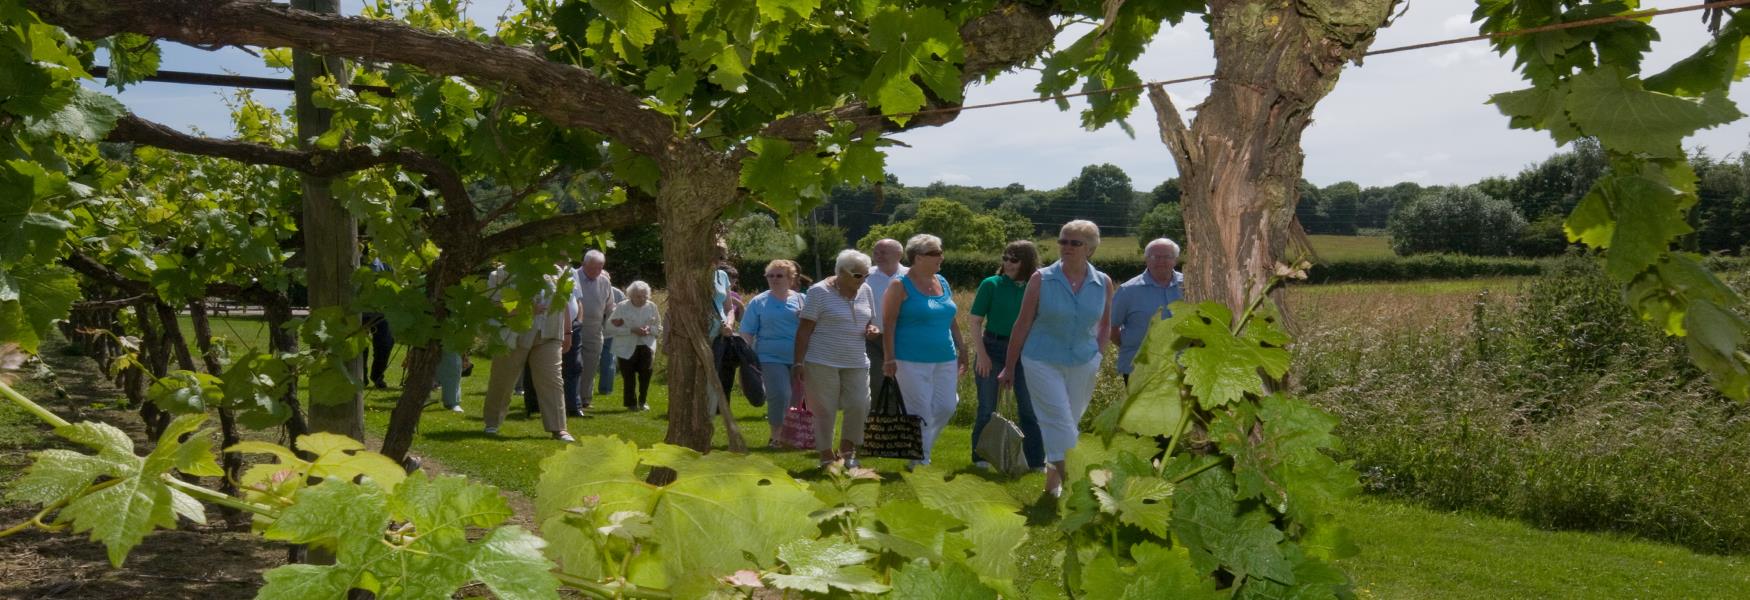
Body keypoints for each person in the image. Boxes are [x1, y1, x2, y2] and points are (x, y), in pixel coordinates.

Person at [999, 220, 1113, 497]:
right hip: (1041, 359)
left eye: (1075, 243)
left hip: (1084, 361)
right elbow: (1022, 323)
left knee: (1068, 422)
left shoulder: (1103, 282)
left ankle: (1052, 485)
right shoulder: (1042, 278)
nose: (1066, 247)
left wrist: (1098, 355)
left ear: (1090, 248)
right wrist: (1009, 366)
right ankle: (1083, 487)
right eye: (1063, 241)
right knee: (1057, 420)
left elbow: (1105, 324)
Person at [880, 234, 965, 469]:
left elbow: (950, 317)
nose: (941, 257)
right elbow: (889, 323)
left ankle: (918, 451)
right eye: (936, 253)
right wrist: (889, 358)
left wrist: (962, 347)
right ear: (918, 258)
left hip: (945, 356)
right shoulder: (899, 284)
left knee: (946, 406)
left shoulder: (943, 281)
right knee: (920, 410)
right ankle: (921, 461)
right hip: (910, 358)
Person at [793, 250, 878, 468]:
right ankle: (826, 456)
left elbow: (869, 321)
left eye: (866, 275)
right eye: (857, 275)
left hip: (857, 360)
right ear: (840, 272)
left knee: (860, 405)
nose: (863, 279)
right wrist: (798, 362)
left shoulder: (866, 290)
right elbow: (804, 329)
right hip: (822, 360)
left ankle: (848, 451)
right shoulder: (818, 292)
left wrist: (872, 329)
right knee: (824, 410)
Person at [970, 240, 1044, 470]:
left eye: (1014, 259)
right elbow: (975, 321)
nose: (1008, 264)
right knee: (986, 408)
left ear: (1027, 262)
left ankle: (1035, 461)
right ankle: (980, 458)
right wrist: (982, 356)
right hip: (992, 348)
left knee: (1029, 410)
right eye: (1005, 258)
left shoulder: (1038, 285)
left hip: (1027, 351)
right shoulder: (991, 284)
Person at [483, 262, 577, 441]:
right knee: (503, 378)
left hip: (549, 332)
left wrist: (567, 331)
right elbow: (493, 305)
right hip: (514, 332)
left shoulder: (556, 271)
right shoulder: (503, 273)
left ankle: (559, 428)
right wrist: (525, 310)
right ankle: (492, 423)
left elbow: (562, 302)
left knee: (552, 379)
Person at [741, 260, 806, 447]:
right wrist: (746, 355)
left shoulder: (803, 300)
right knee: (780, 393)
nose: (774, 279)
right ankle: (776, 435)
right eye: (770, 275)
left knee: (795, 398)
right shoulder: (758, 301)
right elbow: (747, 331)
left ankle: (791, 437)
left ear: (791, 278)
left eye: (779, 275)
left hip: (799, 357)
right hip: (769, 357)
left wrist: (806, 318)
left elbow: (816, 327)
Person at [1111, 238, 1185, 384]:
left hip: (1183, 368)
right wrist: (1135, 346)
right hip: (1139, 370)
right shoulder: (1128, 290)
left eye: (1167, 256)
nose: (1161, 261)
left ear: (1175, 260)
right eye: (1155, 257)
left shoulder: (1190, 285)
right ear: (1146, 260)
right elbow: (1112, 328)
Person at [563, 250, 614, 417]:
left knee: (591, 365)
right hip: (575, 326)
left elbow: (609, 306)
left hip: (595, 329)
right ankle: (570, 398)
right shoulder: (573, 276)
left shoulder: (604, 282)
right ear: (583, 265)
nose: (595, 272)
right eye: (592, 268)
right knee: (573, 364)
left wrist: (611, 322)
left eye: (599, 268)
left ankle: (585, 398)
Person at [713, 265, 765, 408]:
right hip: (713, 333)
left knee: (726, 372)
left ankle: (723, 406)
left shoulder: (734, 296)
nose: (732, 284)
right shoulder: (716, 290)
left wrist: (740, 305)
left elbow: (740, 319)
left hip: (726, 334)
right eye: (731, 280)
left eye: (734, 282)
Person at [606, 281, 661, 411]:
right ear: (630, 295)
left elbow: (658, 327)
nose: (641, 299)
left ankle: (643, 401)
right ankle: (631, 403)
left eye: (644, 296)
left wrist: (649, 329)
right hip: (625, 346)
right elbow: (609, 328)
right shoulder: (622, 307)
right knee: (628, 376)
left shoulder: (652, 306)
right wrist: (631, 330)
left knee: (645, 375)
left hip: (646, 345)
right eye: (638, 296)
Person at [863, 238, 907, 402]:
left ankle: (898, 423)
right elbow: (855, 303)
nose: (878, 256)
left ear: (899, 254)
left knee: (901, 384)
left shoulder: (911, 276)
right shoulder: (865, 275)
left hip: (903, 338)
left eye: (883, 252)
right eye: (876, 252)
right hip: (873, 340)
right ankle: (876, 423)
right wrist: (867, 325)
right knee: (876, 382)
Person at [362, 256, 395, 389]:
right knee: (360, 347)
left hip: (382, 312)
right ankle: (360, 377)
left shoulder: (385, 262)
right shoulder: (355, 261)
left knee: (385, 344)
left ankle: (377, 376)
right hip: (360, 312)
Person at [597, 285, 627, 395]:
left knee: (608, 361)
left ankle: (605, 389)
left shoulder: (617, 293)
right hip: (594, 331)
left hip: (609, 333)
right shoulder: (617, 292)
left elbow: (624, 312)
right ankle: (603, 389)